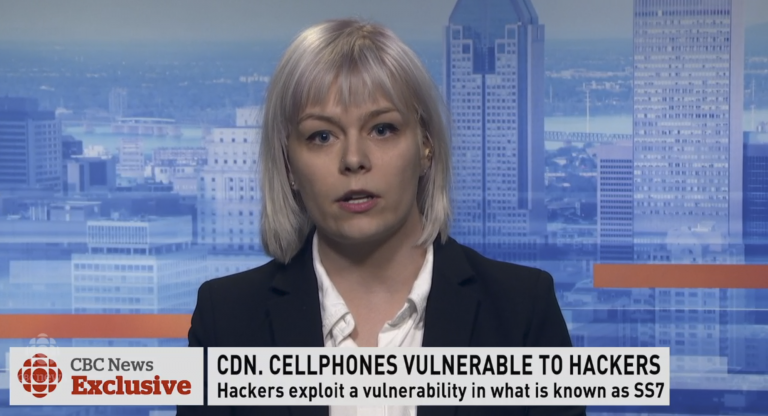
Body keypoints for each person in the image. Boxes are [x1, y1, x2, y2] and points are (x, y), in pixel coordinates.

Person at [177, 18, 586, 416]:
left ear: (426, 146)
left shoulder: (522, 311)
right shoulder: (226, 319)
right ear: (288, 166)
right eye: (322, 136)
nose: (354, 159)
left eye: (382, 129)